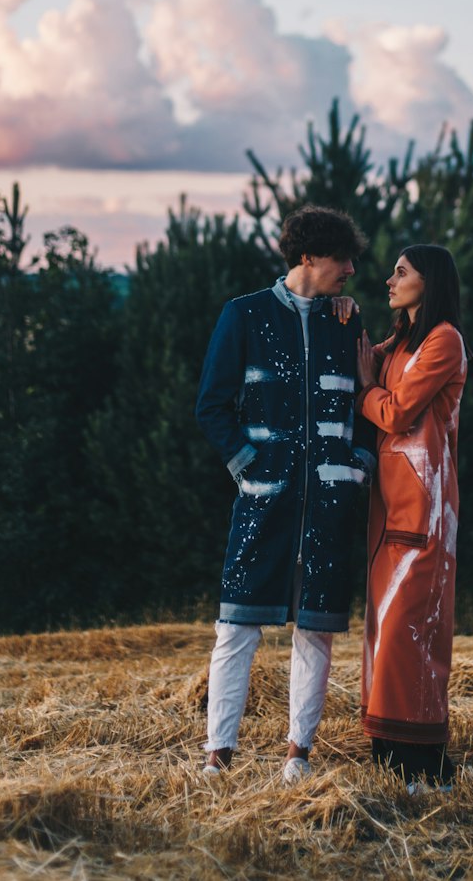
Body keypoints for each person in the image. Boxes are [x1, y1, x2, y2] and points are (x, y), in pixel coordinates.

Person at [195, 204, 375, 784]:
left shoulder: (347, 322)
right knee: (236, 626)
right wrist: (249, 467)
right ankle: (218, 755)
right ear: (307, 256)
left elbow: (366, 403)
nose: (350, 269)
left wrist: (357, 465)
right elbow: (212, 406)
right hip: (264, 499)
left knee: (316, 629)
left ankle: (299, 754)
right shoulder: (243, 315)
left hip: (328, 504)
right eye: (341, 259)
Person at [356, 244, 470, 791]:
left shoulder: (443, 340)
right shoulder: (399, 342)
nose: (389, 280)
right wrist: (343, 314)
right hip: (389, 509)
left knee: (411, 630)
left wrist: (365, 394)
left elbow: (397, 411)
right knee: (385, 630)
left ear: (431, 281)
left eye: (401, 272)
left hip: (425, 509)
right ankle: (391, 754)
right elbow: (360, 357)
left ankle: (424, 763)